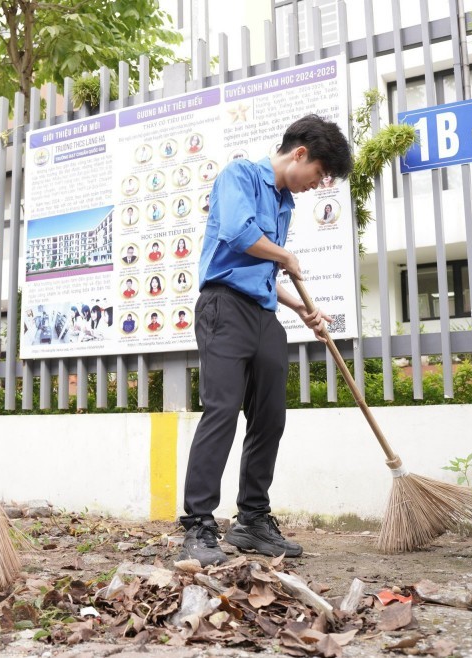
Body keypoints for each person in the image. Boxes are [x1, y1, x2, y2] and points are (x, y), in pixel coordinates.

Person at [178, 114, 351, 566]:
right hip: (223, 307)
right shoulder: (241, 175)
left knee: (270, 416)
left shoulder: (285, 204)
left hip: (261, 313)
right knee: (222, 411)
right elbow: (237, 235)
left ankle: (252, 520)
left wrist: (300, 308)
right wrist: (286, 254)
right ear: (299, 154)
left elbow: (264, 273)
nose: (317, 185)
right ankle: (198, 525)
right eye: (318, 174)